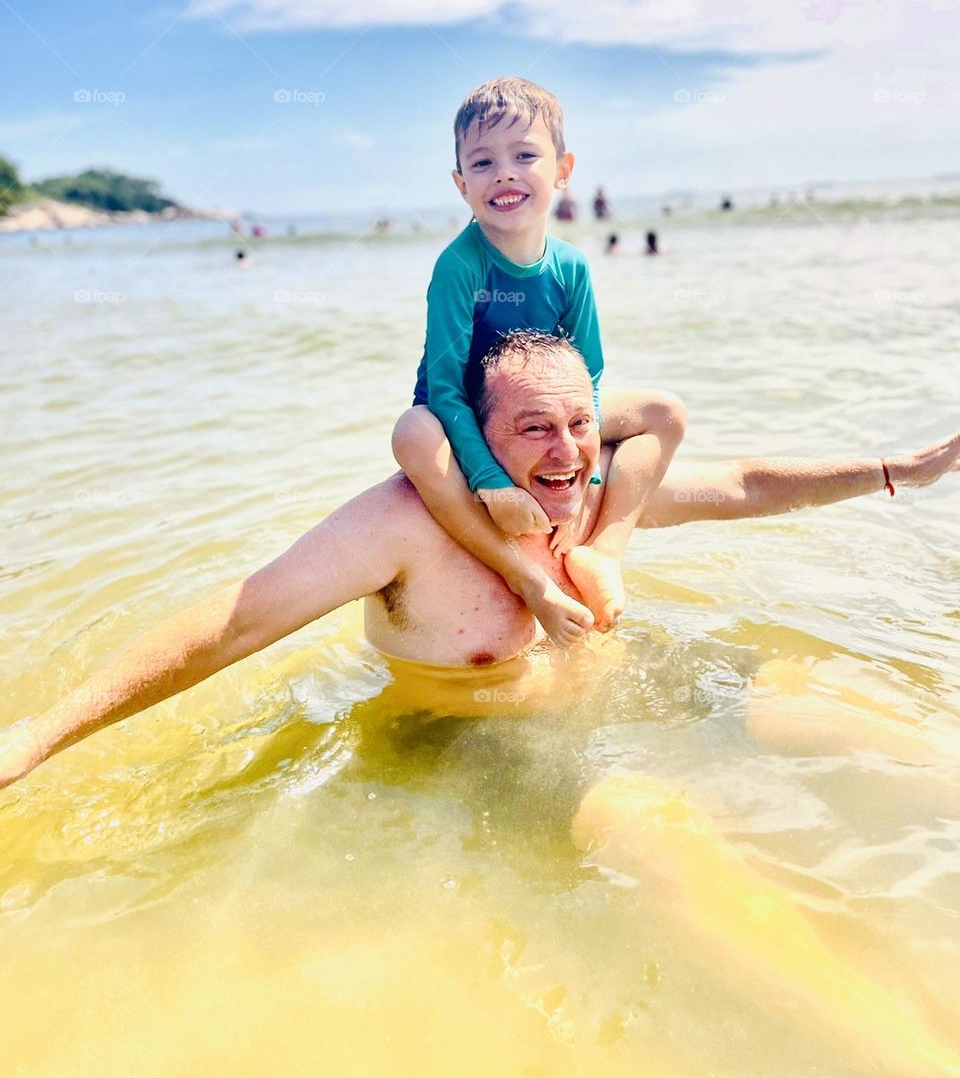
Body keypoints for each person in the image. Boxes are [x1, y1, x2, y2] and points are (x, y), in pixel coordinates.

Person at [3, 330, 956, 794]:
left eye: (581, 424)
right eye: (534, 429)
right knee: (678, 859)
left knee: (881, 727)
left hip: (623, 697)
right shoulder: (404, 524)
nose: (567, 451)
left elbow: (746, 483)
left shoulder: (589, 490)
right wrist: (38, 737)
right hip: (473, 753)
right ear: (477, 440)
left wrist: (896, 470)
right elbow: (238, 620)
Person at [392, 77, 687, 649]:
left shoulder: (571, 266)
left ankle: (602, 552)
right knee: (411, 432)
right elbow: (446, 391)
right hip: (463, 419)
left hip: (536, 416)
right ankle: (529, 580)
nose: (503, 173)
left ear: (563, 169)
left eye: (524, 155)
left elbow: (590, 376)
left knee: (664, 413)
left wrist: (587, 467)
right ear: (461, 184)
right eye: (482, 162)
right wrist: (493, 482)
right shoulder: (459, 267)